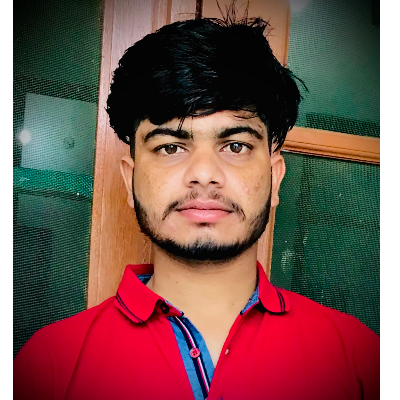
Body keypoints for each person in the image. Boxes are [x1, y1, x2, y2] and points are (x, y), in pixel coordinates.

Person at [13, 8, 379, 400]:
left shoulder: (357, 358)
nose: (204, 174)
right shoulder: (49, 365)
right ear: (129, 179)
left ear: (275, 179)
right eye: (170, 147)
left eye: (235, 146)